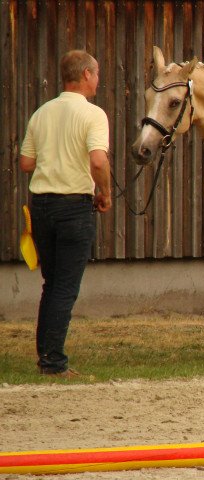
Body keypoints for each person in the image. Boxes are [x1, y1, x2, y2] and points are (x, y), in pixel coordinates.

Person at [19, 50, 112, 377]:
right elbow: (98, 161)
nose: (98, 79)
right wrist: (105, 191)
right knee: (65, 288)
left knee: (52, 283)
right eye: (96, 73)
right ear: (86, 75)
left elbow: (26, 163)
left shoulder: (41, 113)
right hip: (73, 205)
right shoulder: (93, 114)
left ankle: (45, 356)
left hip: (41, 204)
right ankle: (54, 362)